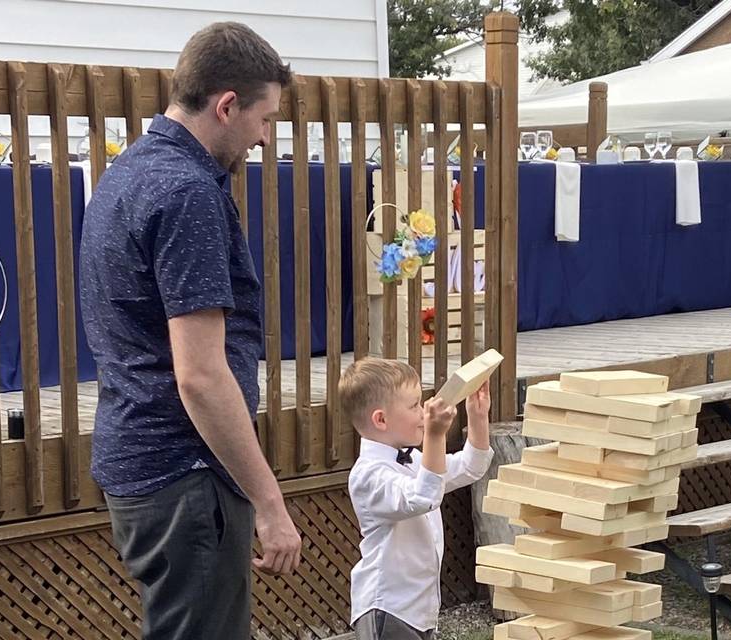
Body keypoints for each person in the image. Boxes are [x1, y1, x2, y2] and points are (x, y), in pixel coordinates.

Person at [79, 21, 301, 639]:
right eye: (264, 118)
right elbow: (201, 375)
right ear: (226, 105)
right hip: (186, 476)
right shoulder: (187, 194)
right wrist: (269, 502)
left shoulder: (125, 173)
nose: (264, 137)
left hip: (137, 461)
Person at [339, 358, 494, 640]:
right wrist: (435, 434)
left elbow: (471, 467)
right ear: (381, 420)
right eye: (414, 406)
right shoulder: (368, 476)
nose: (423, 411)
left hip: (417, 609)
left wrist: (478, 417)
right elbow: (424, 497)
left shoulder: (413, 459)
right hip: (387, 608)